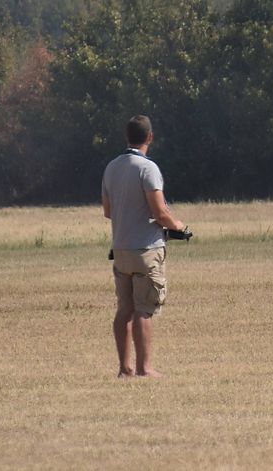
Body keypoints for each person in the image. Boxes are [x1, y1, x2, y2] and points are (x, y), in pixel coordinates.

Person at [101, 115, 186, 378]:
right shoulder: (148, 168)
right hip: (145, 250)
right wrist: (179, 226)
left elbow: (108, 211)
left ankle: (124, 368)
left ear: (127, 137)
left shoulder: (111, 167)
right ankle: (144, 368)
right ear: (149, 137)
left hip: (121, 249)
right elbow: (160, 211)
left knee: (123, 309)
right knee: (144, 309)